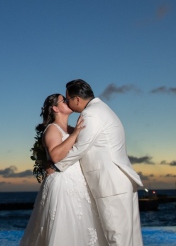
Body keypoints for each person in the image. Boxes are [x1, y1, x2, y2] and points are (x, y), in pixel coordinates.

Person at [54, 79, 144, 246]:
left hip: (110, 184)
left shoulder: (91, 114)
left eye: (68, 99)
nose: (67, 103)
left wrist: (56, 167)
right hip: (119, 182)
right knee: (130, 239)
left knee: (116, 238)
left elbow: (82, 147)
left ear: (77, 99)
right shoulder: (102, 109)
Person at [20, 93, 109, 246]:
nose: (68, 101)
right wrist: (74, 134)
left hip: (79, 182)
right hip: (62, 183)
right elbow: (55, 156)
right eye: (63, 100)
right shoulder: (52, 130)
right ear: (55, 108)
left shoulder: (72, 128)